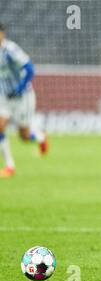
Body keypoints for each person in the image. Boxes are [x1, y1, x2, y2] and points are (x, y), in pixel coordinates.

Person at [0, 23, 48, 178]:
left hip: (23, 97)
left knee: (24, 136)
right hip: (5, 97)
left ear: (2, 34)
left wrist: (19, 88)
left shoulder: (11, 50)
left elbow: (30, 69)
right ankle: (9, 166)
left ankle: (40, 136)